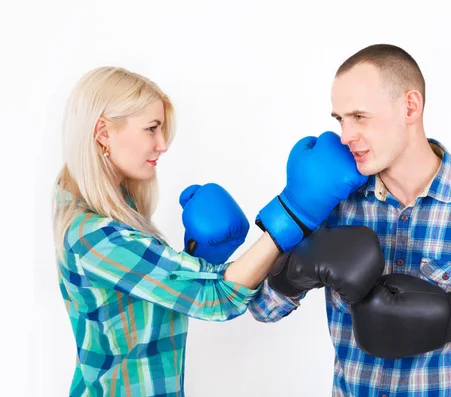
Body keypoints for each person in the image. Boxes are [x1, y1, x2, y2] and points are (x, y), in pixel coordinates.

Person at [248, 44, 451, 396]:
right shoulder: (336, 207)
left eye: (359, 116)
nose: (345, 136)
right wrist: (293, 274)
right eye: (339, 119)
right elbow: (263, 310)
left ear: (410, 106)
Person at [53, 66, 366, 396]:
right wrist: (294, 211)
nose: (162, 144)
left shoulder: (96, 205)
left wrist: (196, 258)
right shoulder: (96, 236)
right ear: (103, 132)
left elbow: (147, 297)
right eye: (151, 129)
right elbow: (217, 300)